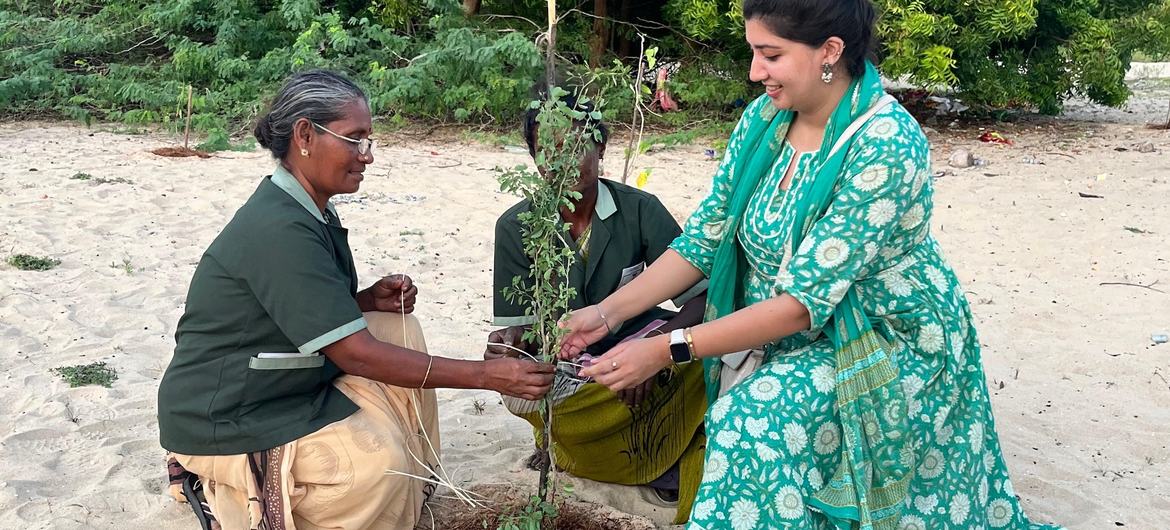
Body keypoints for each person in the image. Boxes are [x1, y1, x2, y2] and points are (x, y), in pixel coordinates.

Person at [558, 1, 1065, 528]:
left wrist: (667, 348)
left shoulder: (884, 142)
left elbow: (803, 305)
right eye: (754, 51)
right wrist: (608, 314)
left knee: (752, 421)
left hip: (883, 335)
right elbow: (706, 239)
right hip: (787, 325)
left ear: (830, 51)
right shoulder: (765, 122)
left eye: (770, 54)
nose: (755, 72)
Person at [156, 69, 554, 530]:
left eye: (369, 140)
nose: (366, 156)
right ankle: (218, 478)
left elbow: (291, 305)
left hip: (283, 378)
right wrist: (486, 376)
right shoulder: (279, 228)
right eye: (354, 139)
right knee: (376, 471)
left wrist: (362, 299)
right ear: (305, 134)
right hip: (228, 410)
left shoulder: (308, 209)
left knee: (398, 330)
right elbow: (355, 354)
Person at [485, 85, 708, 522]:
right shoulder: (516, 227)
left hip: (645, 348)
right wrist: (509, 343)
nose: (560, 161)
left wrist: (655, 350)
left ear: (600, 144)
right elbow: (523, 329)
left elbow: (701, 297)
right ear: (532, 158)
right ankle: (641, 452)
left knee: (706, 355)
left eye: (573, 145)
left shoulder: (641, 210)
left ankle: (611, 451)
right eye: (545, 149)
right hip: (573, 365)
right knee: (524, 392)